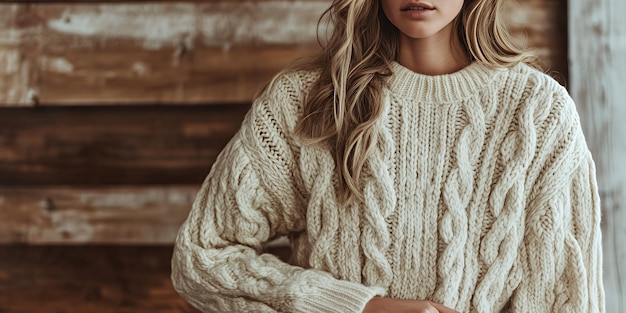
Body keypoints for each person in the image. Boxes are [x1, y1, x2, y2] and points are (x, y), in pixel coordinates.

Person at [171, 0, 605, 312]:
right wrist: (358, 308)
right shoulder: (306, 103)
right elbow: (202, 257)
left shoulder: (538, 113)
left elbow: (565, 299)